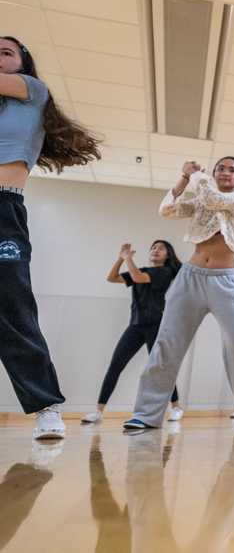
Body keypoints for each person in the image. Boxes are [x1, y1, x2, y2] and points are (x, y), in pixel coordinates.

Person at [0, 36, 101, 440]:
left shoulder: (33, 91)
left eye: (5, 52)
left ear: (24, 63)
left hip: (4, 209)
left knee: (13, 307)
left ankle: (46, 406)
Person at [123, 156, 234, 431]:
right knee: (167, 343)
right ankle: (145, 414)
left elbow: (215, 201)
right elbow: (167, 209)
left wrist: (199, 178)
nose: (225, 172)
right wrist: (184, 177)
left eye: (232, 169)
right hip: (189, 279)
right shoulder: (202, 195)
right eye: (220, 168)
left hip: (225, 282)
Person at [83, 241, 184, 425]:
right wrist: (120, 258)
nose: (155, 250)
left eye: (160, 248)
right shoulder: (143, 270)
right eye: (153, 247)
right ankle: (98, 411)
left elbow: (138, 278)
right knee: (115, 365)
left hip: (156, 325)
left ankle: (176, 407)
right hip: (136, 326)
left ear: (167, 255)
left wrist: (128, 258)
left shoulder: (165, 272)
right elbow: (112, 277)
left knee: (161, 367)